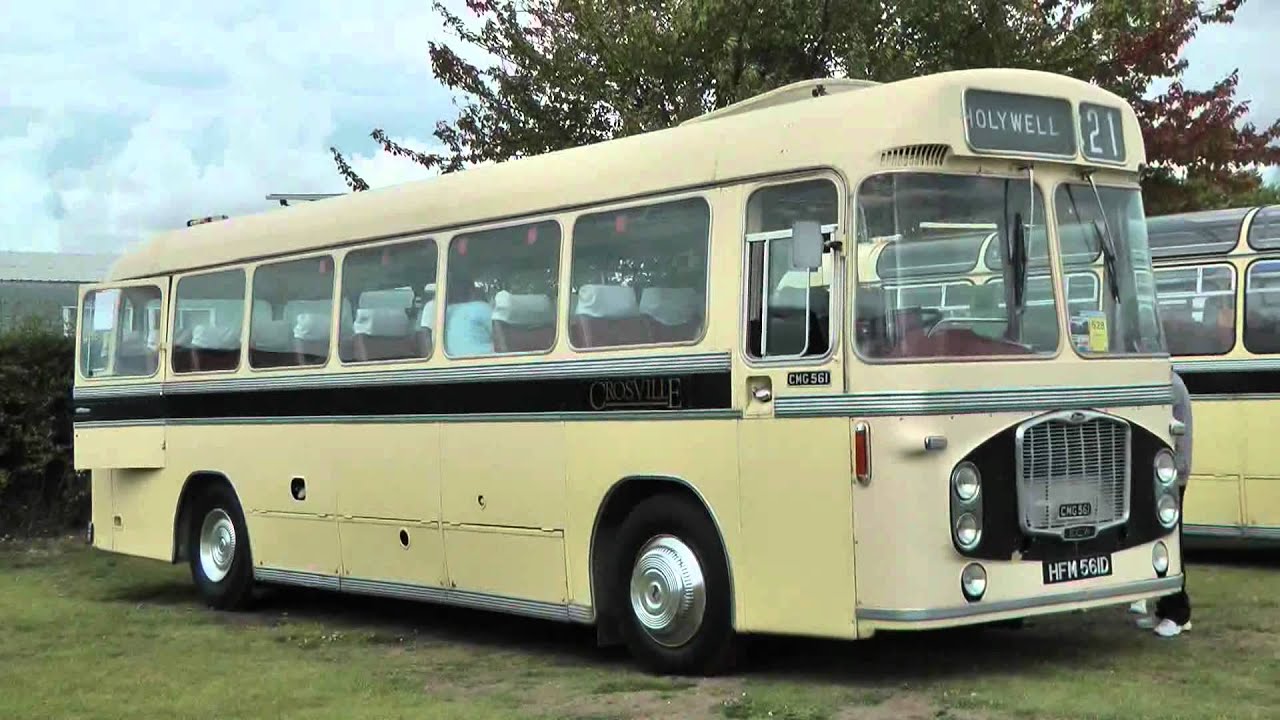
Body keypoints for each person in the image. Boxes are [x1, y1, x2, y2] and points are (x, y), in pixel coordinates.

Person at [1133, 368, 1193, 637]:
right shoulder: (1166, 382)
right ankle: (1165, 609)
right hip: (1167, 472)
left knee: (1172, 541)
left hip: (1172, 474)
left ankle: (1178, 614)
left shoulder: (1170, 385)